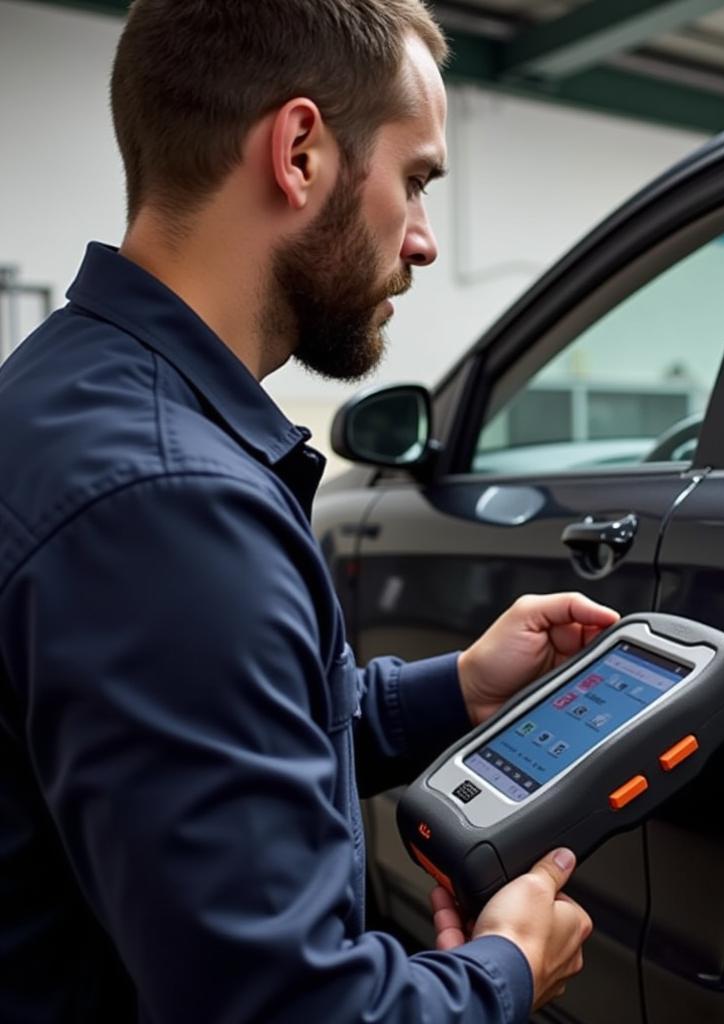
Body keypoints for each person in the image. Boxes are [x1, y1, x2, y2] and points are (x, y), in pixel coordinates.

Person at [0, 1, 616, 1021]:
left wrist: (454, 689)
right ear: (299, 152)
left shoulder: (73, 395)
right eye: (415, 180)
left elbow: (217, 732)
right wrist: (505, 969)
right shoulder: (167, 508)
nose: (422, 243)